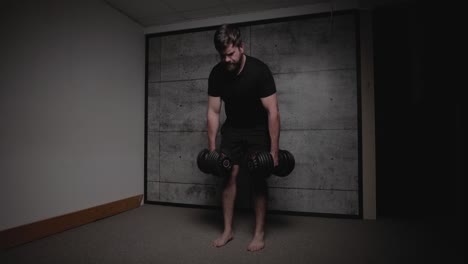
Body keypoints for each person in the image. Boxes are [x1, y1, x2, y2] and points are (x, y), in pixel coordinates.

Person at [206, 24, 280, 252]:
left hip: (258, 130)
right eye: (222, 55)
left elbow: (273, 111)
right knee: (228, 176)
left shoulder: (260, 71)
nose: (227, 59)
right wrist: (212, 149)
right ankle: (228, 231)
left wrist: (274, 151)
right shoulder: (217, 73)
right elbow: (213, 112)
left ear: (241, 47)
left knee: (258, 178)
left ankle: (259, 234)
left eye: (231, 54)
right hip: (233, 129)